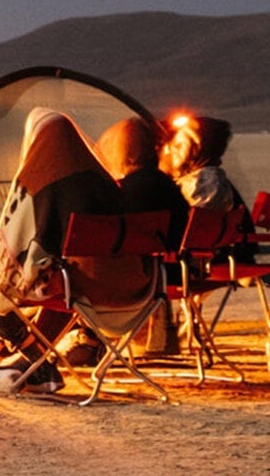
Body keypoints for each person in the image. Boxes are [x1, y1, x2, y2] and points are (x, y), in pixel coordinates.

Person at [0, 110, 146, 395]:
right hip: (137, 288)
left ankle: (34, 361)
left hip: (83, 290)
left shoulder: (41, 182)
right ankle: (32, 364)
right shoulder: (107, 182)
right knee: (63, 275)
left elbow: (22, 242)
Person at [96, 116, 194, 358]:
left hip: (141, 277)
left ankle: (89, 340)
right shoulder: (168, 186)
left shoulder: (124, 191)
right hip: (177, 271)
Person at [164, 115, 253, 264]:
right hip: (214, 254)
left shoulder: (204, 185)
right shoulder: (212, 180)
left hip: (200, 259)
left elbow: (193, 230)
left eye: (178, 146)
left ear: (195, 150)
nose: (169, 151)